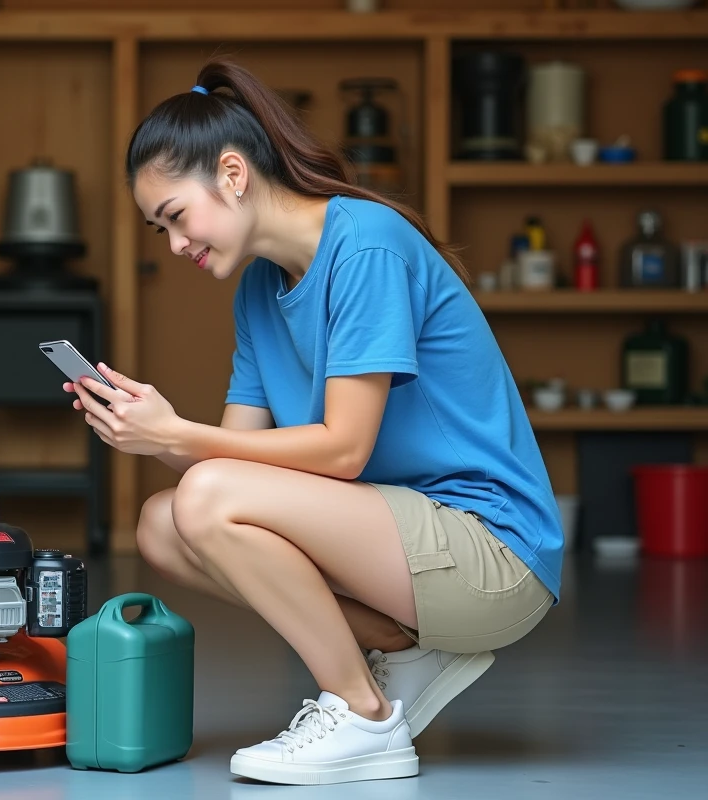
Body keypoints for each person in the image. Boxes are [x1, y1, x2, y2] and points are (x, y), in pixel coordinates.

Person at [62, 59, 564, 787]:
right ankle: (400, 647)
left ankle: (364, 716)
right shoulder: (260, 291)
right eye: (158, 229)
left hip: (492, 556)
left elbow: (344, 450)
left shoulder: (365, 246)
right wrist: (146, 432)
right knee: (163, 526)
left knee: (202, 499)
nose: (173, 245)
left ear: (232, 174)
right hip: (406, 555)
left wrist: (175, 435)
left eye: (174, 217)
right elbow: (230, 474)